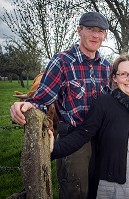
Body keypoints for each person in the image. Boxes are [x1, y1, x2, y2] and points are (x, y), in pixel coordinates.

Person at [10, 11, 111, 199]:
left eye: (100, 31)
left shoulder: (107, 66)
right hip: (74, 140)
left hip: (103, 139)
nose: (95, 35)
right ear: (79, 30)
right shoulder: (62, 61)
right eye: (90, 29)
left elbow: (113, 104)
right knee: (76, 191)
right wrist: (22, 106)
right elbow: (41, 100)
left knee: (101, 189)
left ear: (105, 36)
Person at [49, 54, 129, 199]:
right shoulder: (104, 104)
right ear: (114, 78)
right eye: (123, 74)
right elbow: (83, 134)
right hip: (117, 184)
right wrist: (54, 149)